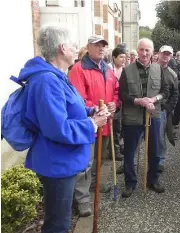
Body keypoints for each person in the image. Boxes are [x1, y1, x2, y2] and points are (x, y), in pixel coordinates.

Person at [20, 24, 109, 232]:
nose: (77, 48)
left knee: (61, 219)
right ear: (62, 48)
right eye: (73, 44)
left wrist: (90, 110)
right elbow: (57, 127)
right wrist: (92, 123)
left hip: (62, 161)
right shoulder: (46, 80)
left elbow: (70, 107)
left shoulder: (57, 76)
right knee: (57, 224)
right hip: (56, 163)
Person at [69, 35, 120, 217]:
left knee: (100, 158)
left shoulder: (108, 69)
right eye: (97, 45)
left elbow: (115, 91)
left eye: (103, 46)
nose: (101, 48)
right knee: (85, 162)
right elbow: (78, 101)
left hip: (105, 123)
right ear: (88, 47)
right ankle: (82, 198)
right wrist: (96, 110)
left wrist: (115, 103)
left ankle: (95, 183)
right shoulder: (78, 69)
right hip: (88, 124)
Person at [119, 38, 169, 198]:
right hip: (132, 118)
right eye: (142, 49)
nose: (144, 53)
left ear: (152, 51)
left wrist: (154, 100)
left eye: (148, 50)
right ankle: (130, 182)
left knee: (154, 150)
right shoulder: (127, 70)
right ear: (137, 50)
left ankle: (153, 180)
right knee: (129, 152)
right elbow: (122, 94)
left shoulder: (158, 69)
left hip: (153, 115)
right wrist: (138, 101)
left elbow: (166, 91)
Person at [157, 45, 179, 173]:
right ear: (159, 54)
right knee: (138, 135)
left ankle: (160, 159)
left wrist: (168, 107)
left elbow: (175, 93)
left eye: (168, 54)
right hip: (146, 106)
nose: (166, 56)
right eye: (164, 53)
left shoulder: (172, 74)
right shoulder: (151, 68)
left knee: (160, 136)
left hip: (162, 109)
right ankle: (129, 161)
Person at [110, 47, 127, 161]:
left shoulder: (125, 70)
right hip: (113, 103)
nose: (123, 59)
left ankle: (121, 146)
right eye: (121, 57)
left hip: (124, 103)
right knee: (115, 127)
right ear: (114, 57)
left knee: (121, 127)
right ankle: (115, 151)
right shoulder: (109, 70)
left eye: (125, 57)